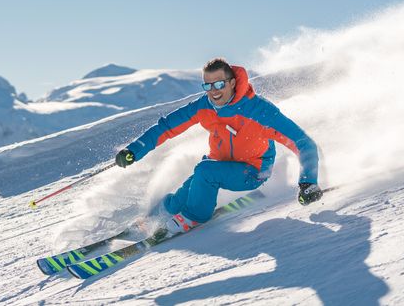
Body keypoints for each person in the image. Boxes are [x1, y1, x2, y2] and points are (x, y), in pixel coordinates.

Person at [115, 58, 323, 234]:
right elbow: (167, 126)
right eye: (207, 85)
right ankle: (156, 218)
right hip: (219, 164)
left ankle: (194, 217)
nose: (213, 91)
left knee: (205, 172)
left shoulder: (259, 112)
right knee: (181, 196)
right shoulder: (204, 106)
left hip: (253, 171)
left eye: (219, 84)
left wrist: (308, 182)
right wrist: (134, 150)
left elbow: (302, 142)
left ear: (232, 83)